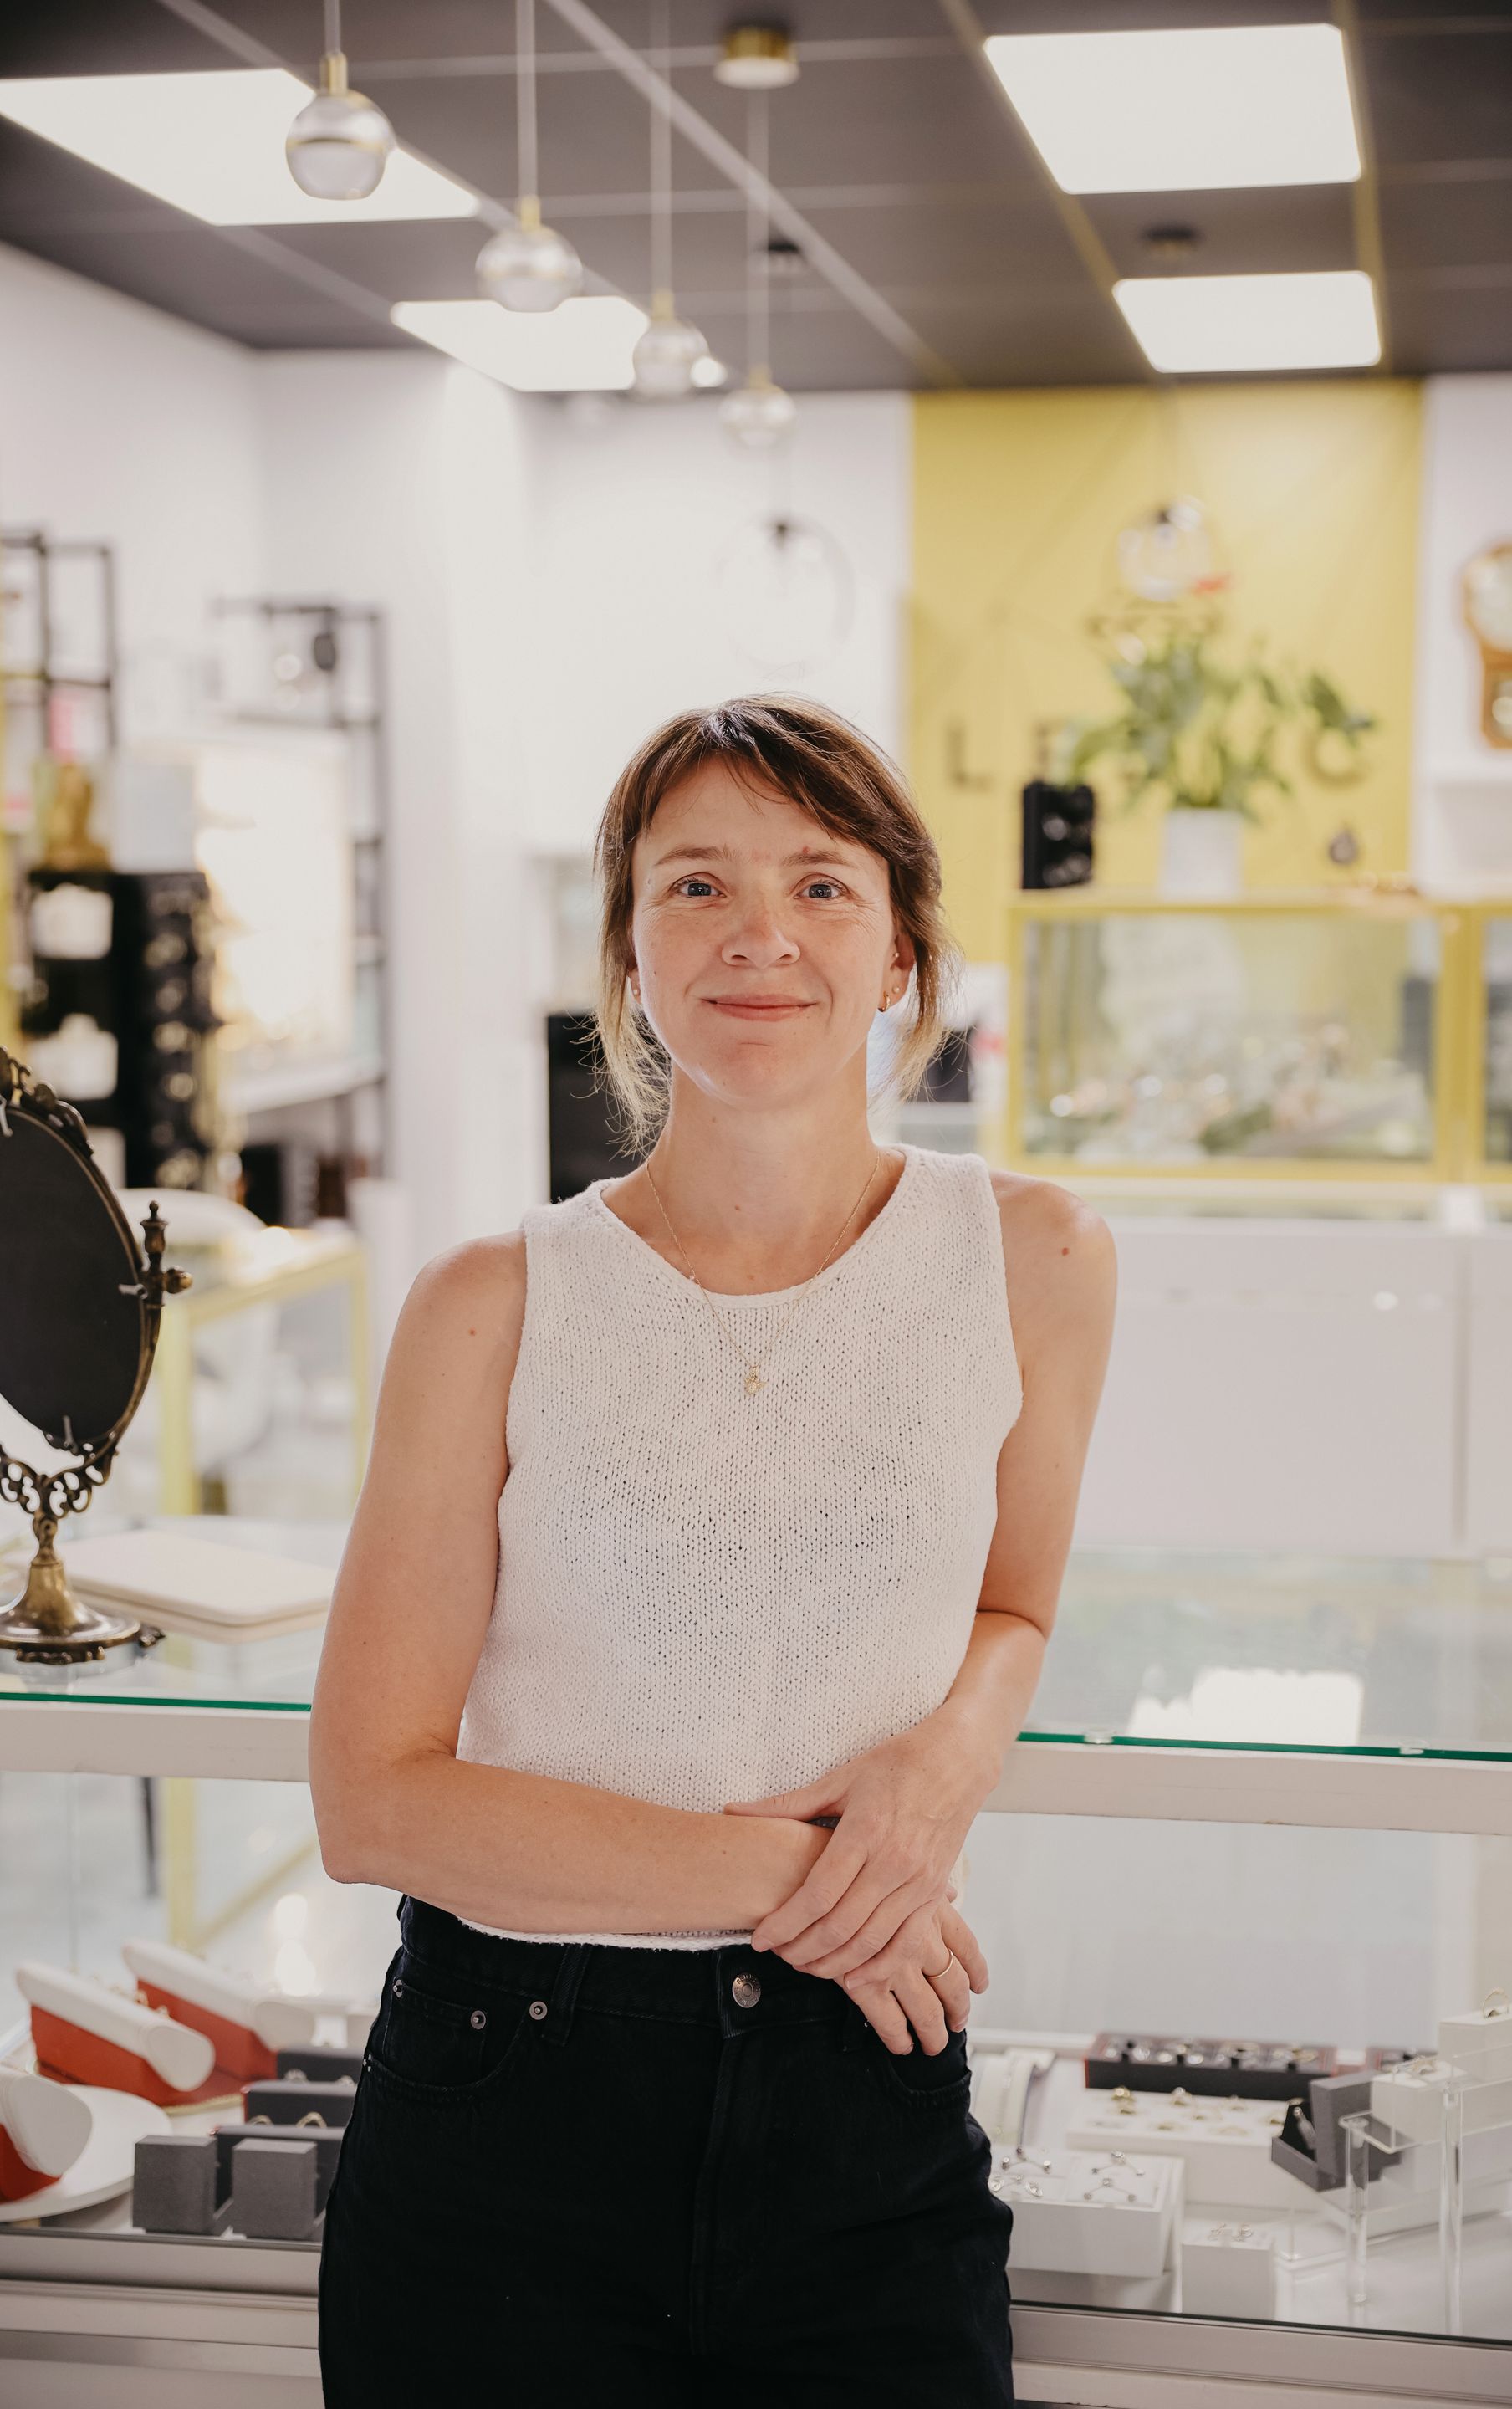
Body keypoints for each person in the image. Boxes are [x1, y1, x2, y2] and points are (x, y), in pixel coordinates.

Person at [310, 696, 1116, 2406]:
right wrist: (807, 1881)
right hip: (504, 2114)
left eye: (821, 884)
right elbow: (374, 1800)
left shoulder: (1034, 1257)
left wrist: (938, 1770)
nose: (761, 935)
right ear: (629, 949)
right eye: (696, 886)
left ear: (901, 952)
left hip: (864, 2085)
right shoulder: (488, 1304)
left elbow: (1018, 1606)